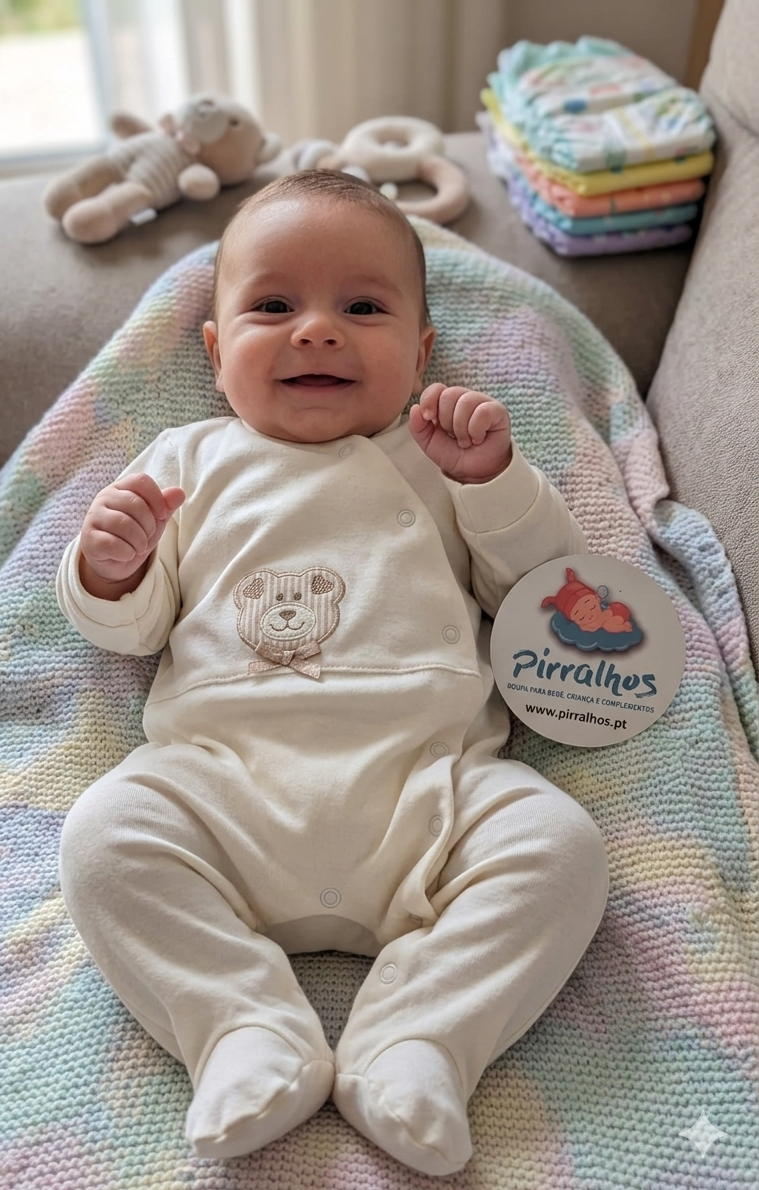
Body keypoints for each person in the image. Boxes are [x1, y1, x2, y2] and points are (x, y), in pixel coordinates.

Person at [56, 170, 609, 1177]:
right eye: (273, 306)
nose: (316, 330)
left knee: (559, 848)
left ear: (421, 354)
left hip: (427, 792)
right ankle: (242, 1028)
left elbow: (543, 596)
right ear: (215, 351)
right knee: (102, 837)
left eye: (361, 308)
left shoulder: (443, 459)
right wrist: (108, 566)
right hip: (222, 789)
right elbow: (129, 630)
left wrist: (496, 483)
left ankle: (417, 1038)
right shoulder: (186, 461)